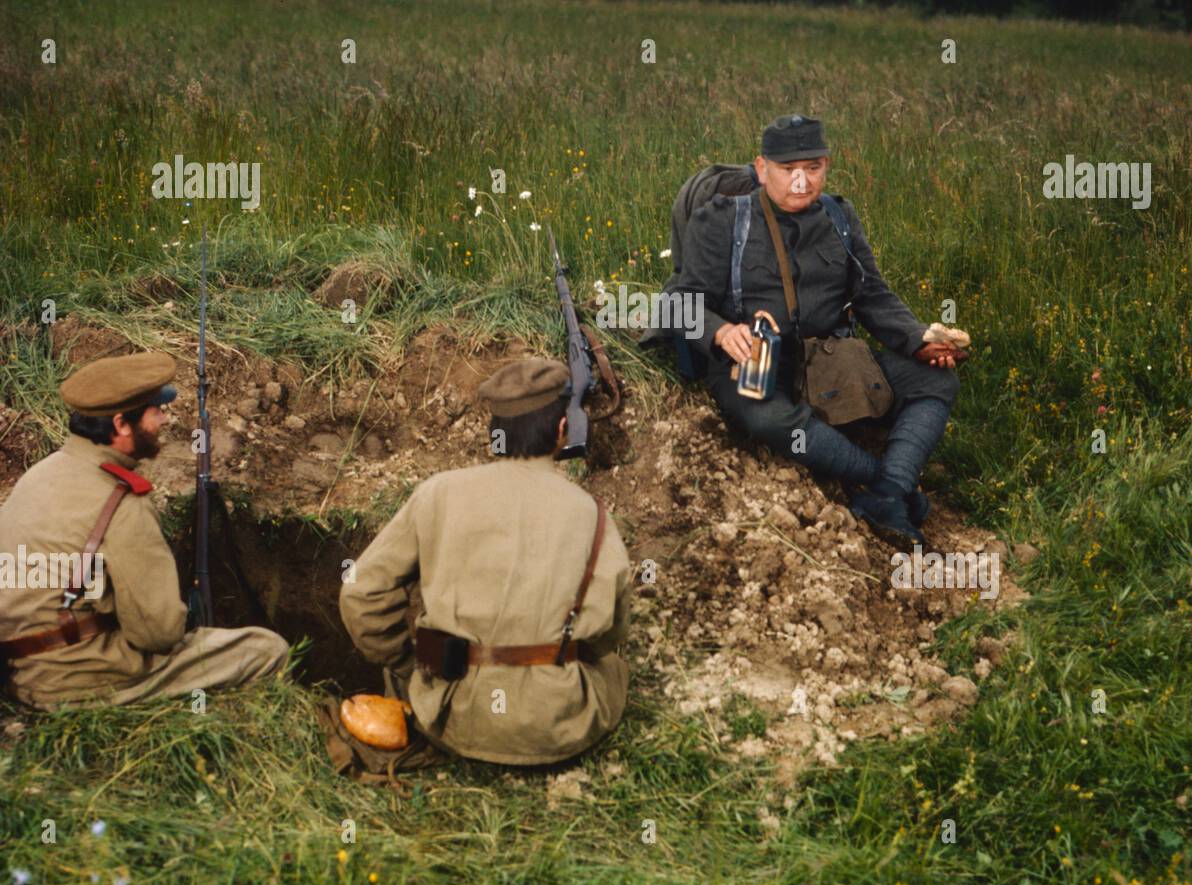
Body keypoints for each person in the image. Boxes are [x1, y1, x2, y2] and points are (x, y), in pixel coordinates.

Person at [670, 114, 968, 549]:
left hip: (828, 362)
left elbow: (872, 295)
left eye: (812, 169)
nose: (800, 182)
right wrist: (719, 332)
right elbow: (680, 300)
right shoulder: (720, 221)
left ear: (827, 166)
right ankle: (877, 479)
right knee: (768, 417)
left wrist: (919, 339)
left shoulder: (839, 216)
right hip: (755, 365)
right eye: (788, 169)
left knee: (935, 380)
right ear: (761, 168)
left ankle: (886, 494)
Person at [339, 357, 631, 766]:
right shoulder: (592, 514)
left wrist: (408, 664)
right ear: (562, 431)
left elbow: (362, 592)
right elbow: (608, 632)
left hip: (454, 719)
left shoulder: (438, 494)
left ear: (496, 434)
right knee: (612, 666)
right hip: (561, 726)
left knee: (396, 672)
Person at [0, 352, 289, 707]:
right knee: (266, 648)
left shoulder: (39, 475)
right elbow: (158, 633)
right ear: (122, 425)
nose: (165, 419)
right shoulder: (123, 502)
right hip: (76, 680)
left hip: (19, 671)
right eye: (156, 410)